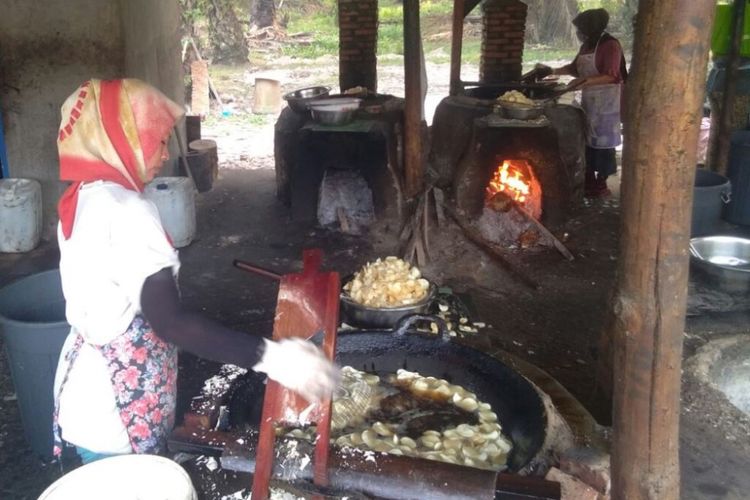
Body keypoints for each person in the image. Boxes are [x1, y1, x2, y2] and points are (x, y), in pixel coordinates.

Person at [52, 79, 340, 464]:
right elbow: (170, 323)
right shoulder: (127, 211)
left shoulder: (85, 195)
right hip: (117, 409)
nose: (165, 152)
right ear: (122, 141)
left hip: (85, 387)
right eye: (156, 139)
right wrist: (277, 359)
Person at [537, 8, 627, 197]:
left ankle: (601, 185)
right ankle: (589, 181)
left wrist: (583, 82)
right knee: (588, 140)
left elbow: (612, 75)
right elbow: (574, 68)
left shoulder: (610, 45)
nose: (579, 33)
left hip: (607, 101)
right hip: (590, 99)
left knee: (602, 144)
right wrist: (551, 71)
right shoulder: (587, 46)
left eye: (581, 29)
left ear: (591, 28)